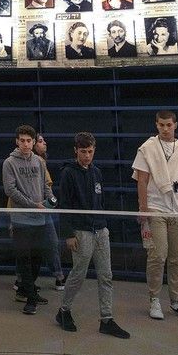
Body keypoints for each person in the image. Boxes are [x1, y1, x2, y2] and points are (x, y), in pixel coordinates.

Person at [55, 132, 130, 338]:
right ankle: (64, 310)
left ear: (94, 150)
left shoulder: (97, 172)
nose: (87, 156)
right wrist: (69, 234)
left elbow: (101, 200)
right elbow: (64, 205)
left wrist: (103, 225)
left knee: (106, 275)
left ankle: (106, 318)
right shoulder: (68, 173)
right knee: (78, 274)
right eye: (83, 152)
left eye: (90, 152)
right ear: (75, 151)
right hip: (81, 230)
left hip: (100, 230)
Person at [133, 111, 178, 322]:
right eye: (161, 124)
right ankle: (154, 299)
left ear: (175, 125)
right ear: (156, 125)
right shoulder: (148, 148)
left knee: (177, 258)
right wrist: (143, 210)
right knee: (157, 255)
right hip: (155, 207)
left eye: (168, 125)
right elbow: (141, 181)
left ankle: (176, 301)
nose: (165, 128)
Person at [3, 125, 56, 315]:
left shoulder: (39, 162)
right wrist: (34, 205)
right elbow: (11, 190)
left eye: (29, 140)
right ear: (17, 141)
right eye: (22, 140)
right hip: (21, 219)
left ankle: (28, 290)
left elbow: (45, 185)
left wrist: (50, 201)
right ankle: (30, 299)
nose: (26, 144)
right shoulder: (9, 163)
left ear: (34, 142)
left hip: (40, 219)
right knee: (24, 259)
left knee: (37, 258)